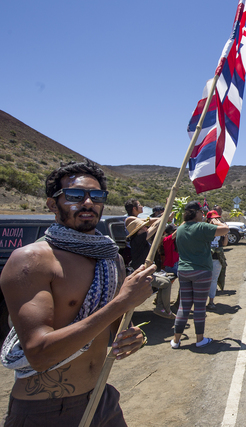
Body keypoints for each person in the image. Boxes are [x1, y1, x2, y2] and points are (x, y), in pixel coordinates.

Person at [0, 160, 155, 426]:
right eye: (74, 196)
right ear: (52, 204)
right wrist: (123, 302)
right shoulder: (32, 260)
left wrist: (132, 337)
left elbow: (113, 327)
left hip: (101, 398)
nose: (87, 203)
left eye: (96, 196)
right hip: (47, 410)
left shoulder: (110, 258)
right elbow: (39, 354)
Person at [171, 201, 228, 349]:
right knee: (200, 307)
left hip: (184, 271)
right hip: (202, 271)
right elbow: (225, 229)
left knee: (184, 306)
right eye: (201, 212)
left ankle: (176, 341)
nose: (202, 214)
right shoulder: (201, 227)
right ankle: (200, 339)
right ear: (195, 213)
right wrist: (216, 221)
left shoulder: (181, 229)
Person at [125, 216, 175, 320]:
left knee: (166, 281)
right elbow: (155, 226)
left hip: (145, 273)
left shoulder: (138, 239)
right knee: (166, 284)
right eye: (144, 227)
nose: (146, 228)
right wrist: (165, 217)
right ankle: (164, 309)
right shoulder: (138, 239)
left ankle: (161, 307)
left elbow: (153, 226)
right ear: (138, 231)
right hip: (141, 275)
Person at [205, 210, 228, 311]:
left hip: (216, 258)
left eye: (217, 218)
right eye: (213, 219)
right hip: (205, 258)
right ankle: (202, 301)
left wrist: (225, 233)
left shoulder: (221, 229)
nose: (215, 220)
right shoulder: (204, 228)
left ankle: (211, 301)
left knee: (213, 281)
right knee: (204, 281)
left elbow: (225, 244)